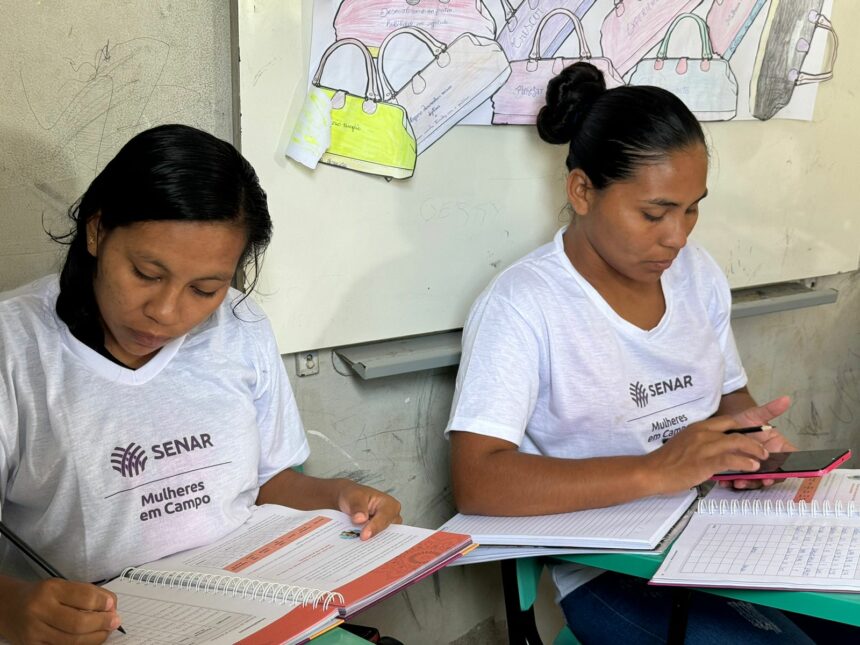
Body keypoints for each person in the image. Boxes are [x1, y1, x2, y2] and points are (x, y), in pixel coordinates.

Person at [446, 62, 844, 643]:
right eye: (655, 213)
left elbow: (731, 398)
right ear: (582, 191)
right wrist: (658, 470)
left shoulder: (696, 274)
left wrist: (748, 448)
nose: (678, 236)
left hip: (722, 530)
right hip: (614, 570)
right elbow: (478, 482)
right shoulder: (523, 305)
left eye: (692, 208)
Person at [0, 124, 401, 644]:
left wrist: (339, 495)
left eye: (204, 289)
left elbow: (266, 483)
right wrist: (12, 606)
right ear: (97, 231)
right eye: (146, 273)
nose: (165, 312)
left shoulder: (241, 326)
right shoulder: (15, 347)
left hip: (245, 610)